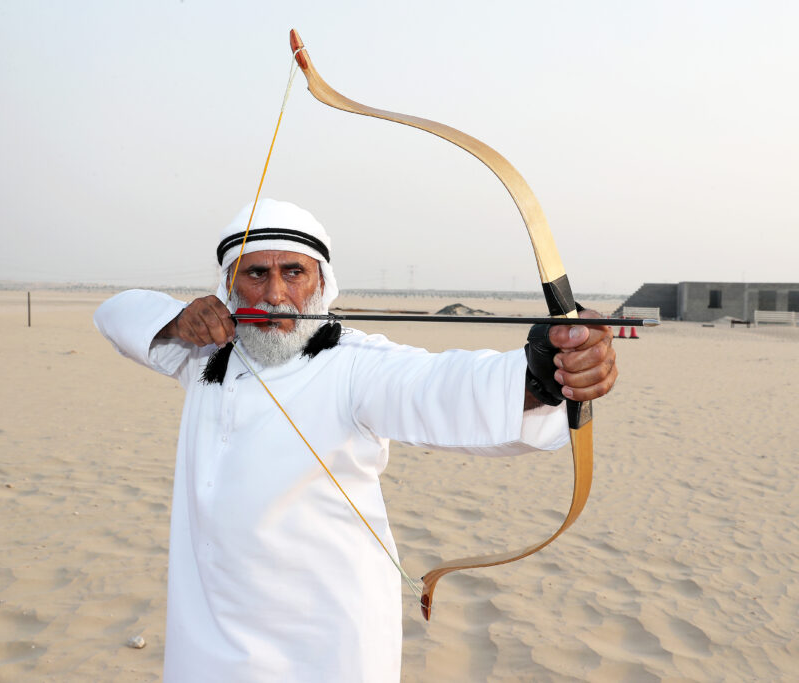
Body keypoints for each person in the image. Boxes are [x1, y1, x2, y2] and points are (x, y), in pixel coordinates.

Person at [94, 198, 617, 682]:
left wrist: (542, 375)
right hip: (209, 635)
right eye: (256, 274)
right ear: (230, 288)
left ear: (321, 283)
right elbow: (117, 313)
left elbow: (440, 386)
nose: (276, 294)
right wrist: (178, 319)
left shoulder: (356, 363)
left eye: (293, 272)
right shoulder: (203, 355)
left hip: (326, 641)